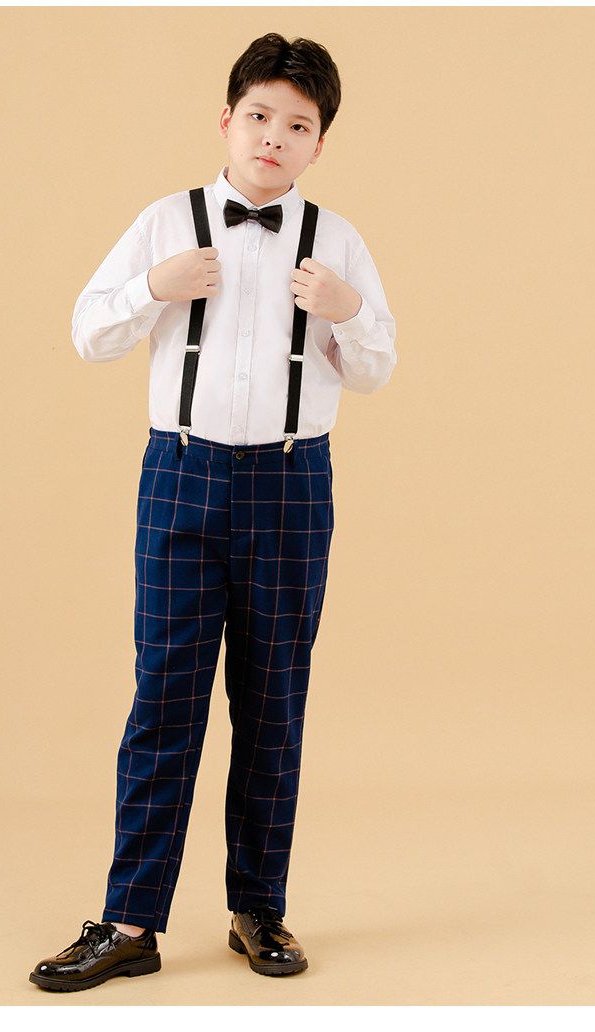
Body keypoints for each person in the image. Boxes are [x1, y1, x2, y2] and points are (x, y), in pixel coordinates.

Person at [30, 33, 396, 993]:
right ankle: (130, 921)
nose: (274, 136)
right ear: (227, 119)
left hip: (291, 484)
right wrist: (153, 287)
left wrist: (349, 309)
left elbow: (376, 368)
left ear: (320, 143)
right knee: (165, 698)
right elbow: (89, 332)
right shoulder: (166, 221)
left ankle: (258, 908)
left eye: (298, 125)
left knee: (273, 704)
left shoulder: (338, 242)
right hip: (181, 473)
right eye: (260, 115)